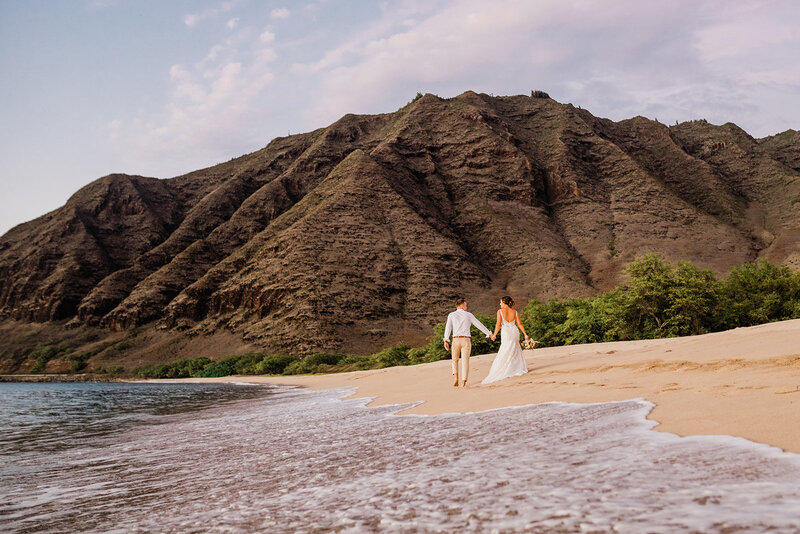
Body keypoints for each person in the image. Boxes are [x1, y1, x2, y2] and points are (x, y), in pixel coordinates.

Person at [443, 298, 494, 387]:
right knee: (465, 361)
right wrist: (489, 333)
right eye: (465, 305)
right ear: (461, 305)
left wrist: (446, 340)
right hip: (466, 340)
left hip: (456, 339)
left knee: (454, 360)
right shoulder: (468, 315)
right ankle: (463, 382)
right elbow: (478, 324)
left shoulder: (451, 315)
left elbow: (448, 328)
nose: (466, 307)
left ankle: (456, 378)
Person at [482, 296, 529, 385]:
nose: (500, 304)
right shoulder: (515, 312)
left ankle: (505, 369)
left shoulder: (500, 312)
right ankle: (516, 368)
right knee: (515, 349)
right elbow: (519, 324)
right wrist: (525, 334)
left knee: (505, 349)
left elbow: (498, 324)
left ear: (504, 302)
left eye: (501, 302)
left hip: (506, 332)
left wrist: (494, 335)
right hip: (514, 331)